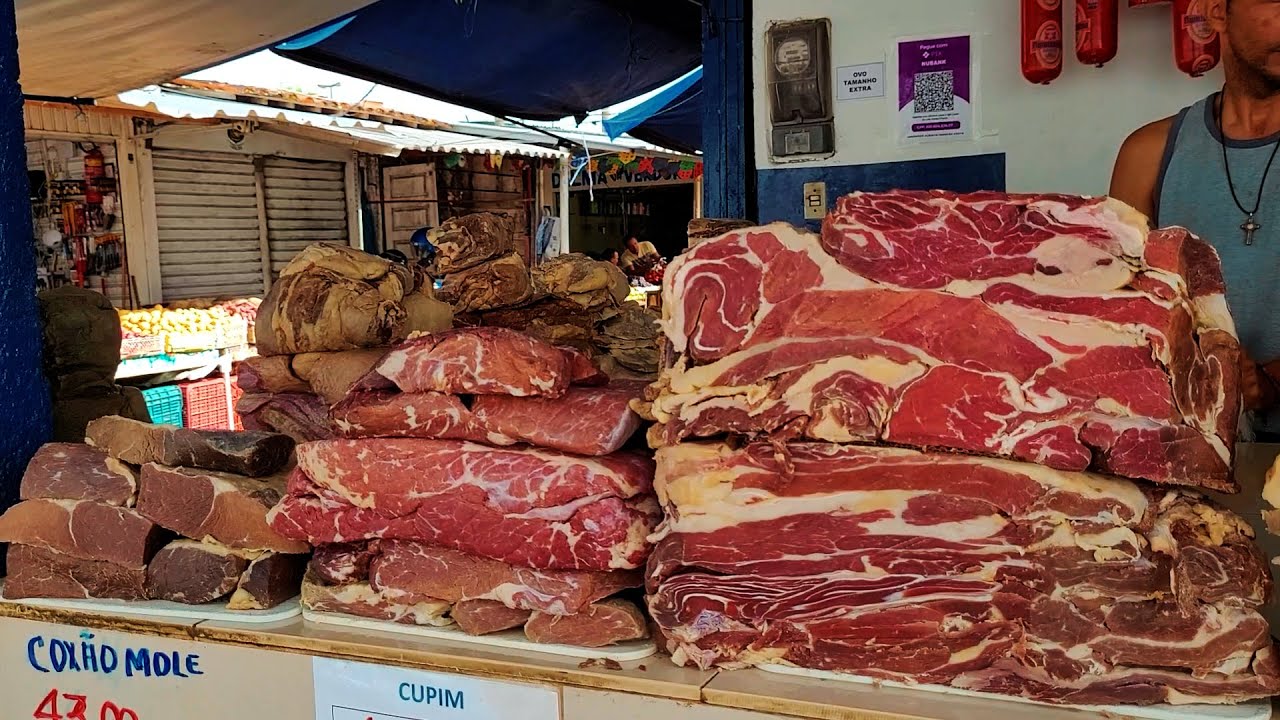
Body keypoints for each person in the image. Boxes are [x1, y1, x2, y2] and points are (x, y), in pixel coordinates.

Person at [1110, 0, 1280, 436]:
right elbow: (1120, 317)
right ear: (1218, 13)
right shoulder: (1148, 154)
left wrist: (1270, 383)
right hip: (1184, 451)